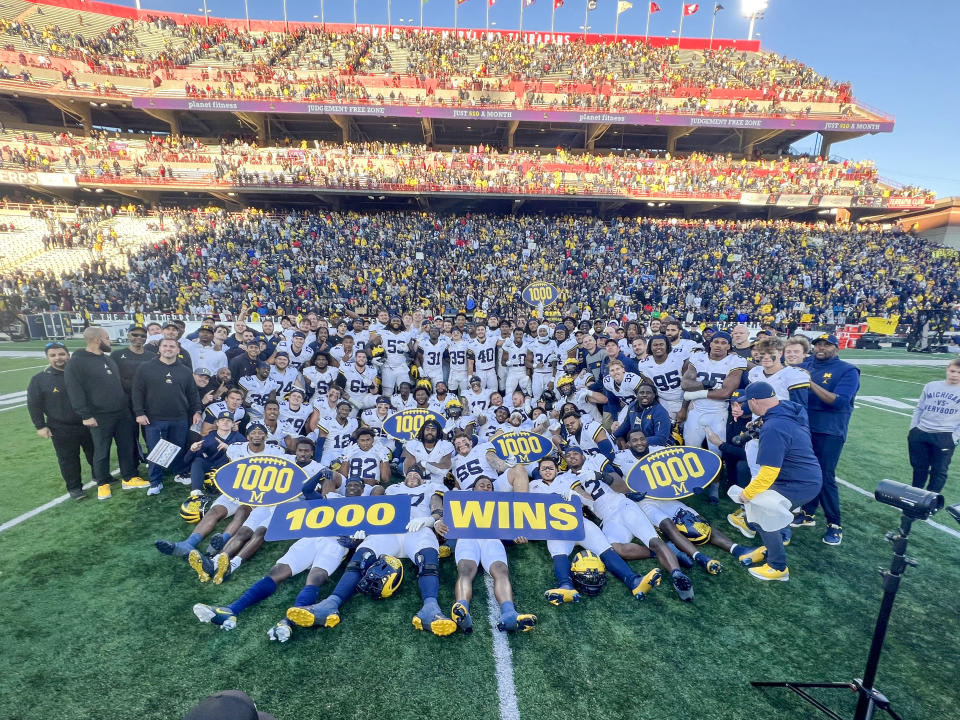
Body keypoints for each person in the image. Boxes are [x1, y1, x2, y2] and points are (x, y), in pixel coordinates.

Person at [287, 467, 457, 636]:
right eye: (410, 474)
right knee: (361, 556)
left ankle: (430, 608)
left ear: (423, 479)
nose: (413, 476)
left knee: (428, 559)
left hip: (418, 528)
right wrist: (364, 528)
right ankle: (330, 603)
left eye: (417, 475)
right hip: (388, 530)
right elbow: (376, 510)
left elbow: (437, 507)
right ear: (404, 478)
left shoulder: (431, 487)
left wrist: (430, 520)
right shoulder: (392, 489)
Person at [728, 382, 823, 582]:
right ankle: (771, 547)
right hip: (803, 476)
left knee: (763, 511)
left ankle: (778, 567)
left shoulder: (773, 427)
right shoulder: (788, 408)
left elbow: (768, 473)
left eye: (747, 403)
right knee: (759, 512)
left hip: (798, 483)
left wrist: (747, 494)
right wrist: (760, 423)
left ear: (754, 401)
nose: (746, 407)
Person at [435, 476, 537, 634]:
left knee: (501, 571)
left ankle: (509, 612)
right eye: (481, 485)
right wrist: (438, 523)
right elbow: (448, 521)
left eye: (489, 486)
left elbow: (508, 530)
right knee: (465, 570)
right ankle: (461, 608)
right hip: (468, 537)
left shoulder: (500, 505)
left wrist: (516, 538)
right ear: (473, 489)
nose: (486, 487)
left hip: (492, 539)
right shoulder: (463, 502)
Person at [65, 326, 149, 500]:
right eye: (107, 338)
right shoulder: (78, 361)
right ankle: (102, 483)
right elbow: (74, 390)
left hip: (122, 412)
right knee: (101, 450)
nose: (110, 341)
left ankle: (129, 476)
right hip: (99, 415)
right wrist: (85, 415)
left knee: (127, 445)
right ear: (98, 340)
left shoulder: (108, 359)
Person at [795, 334, 860, 546]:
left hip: (829, 430)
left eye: (826, 344)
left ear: (837, 348)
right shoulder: (807, 364)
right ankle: (808, 512)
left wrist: (810, 382)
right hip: (805, 427)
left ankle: (835, 523)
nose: (821, 348)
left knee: (825, 475)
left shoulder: (848, 371)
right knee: (807, 471)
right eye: (817, 344)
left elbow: (839, 402)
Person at [133, 338, 203, 495]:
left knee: (178, 447)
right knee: (156, 449)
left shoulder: (185, 370)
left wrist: (197, 411)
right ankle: (156, 481)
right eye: (165, 346)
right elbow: (137, 391)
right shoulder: (146, 368)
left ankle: (180, 472)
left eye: (172, 346)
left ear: (178, 350)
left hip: (180, 417)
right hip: (154, 418)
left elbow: (192, 394)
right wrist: (139, 412)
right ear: (159, 348)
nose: (168, 349)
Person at [27, 342, 95, 500]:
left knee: (95, 453)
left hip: (88, 423)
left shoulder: (80, 374)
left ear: (68, 355)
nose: (58, 358)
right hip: (61, 427)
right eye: (53, 355)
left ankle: (99, 477)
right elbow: (33, 404)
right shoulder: (40, 379)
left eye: (61, 354)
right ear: (47, 358)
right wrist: (40, 426)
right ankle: (75, 488)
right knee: (68, 459)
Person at [908, 359, 960, 492]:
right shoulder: (931, 385)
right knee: (919, 468)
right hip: (921, 432)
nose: (955, 375)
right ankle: (914, 500)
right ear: (947, 370)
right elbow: (919, 407)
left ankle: (929, 505)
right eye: (952, 371)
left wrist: (954, 437)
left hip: (945, 436)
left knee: (939, 471)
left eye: (959, 373)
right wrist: (914, 428)